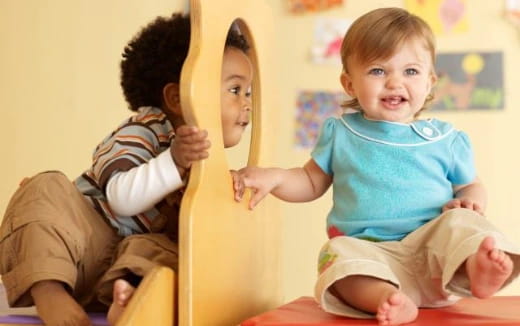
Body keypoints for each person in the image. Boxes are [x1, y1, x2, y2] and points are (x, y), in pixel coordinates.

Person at [234, 7, 520, 326]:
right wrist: (275, 178)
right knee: (337, 255)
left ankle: (477, 271)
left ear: (430, 81)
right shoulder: (341, 133)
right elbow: (309, 181)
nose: (395, 82)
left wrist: (471, 201)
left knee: (461, 222)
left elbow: (471, 185)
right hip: (371, 256)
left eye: (410, 71)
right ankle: (386, 300)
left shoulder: (445, 139)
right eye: (378, 71)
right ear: (349, 83)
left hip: (435, 255)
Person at [0, 12, 253, 326]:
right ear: (176, 98)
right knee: (43, 187)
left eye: (248, 92)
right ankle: (48, 290)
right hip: (84, 246)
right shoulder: (144, 130)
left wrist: (232, 193)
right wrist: (172, 162)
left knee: (173, 252)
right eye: (234, 90)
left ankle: (130, 296)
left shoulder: (209, 164)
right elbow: (122, 199)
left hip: (123, 266)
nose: (246, 104)